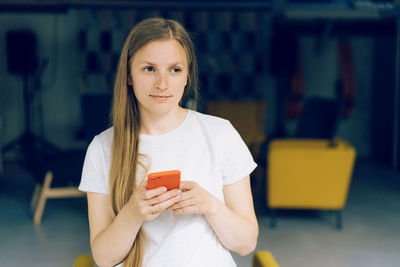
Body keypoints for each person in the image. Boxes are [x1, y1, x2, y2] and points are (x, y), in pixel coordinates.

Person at [79, 17, 258, 267]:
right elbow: (104, 258)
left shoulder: (221, 134)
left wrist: (210, 206)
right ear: (129, 75)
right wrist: (132, 214)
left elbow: (246, 243)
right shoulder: (102, 148)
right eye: (149, 69)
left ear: (187, 77)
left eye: (175, 70)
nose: (162, 84)